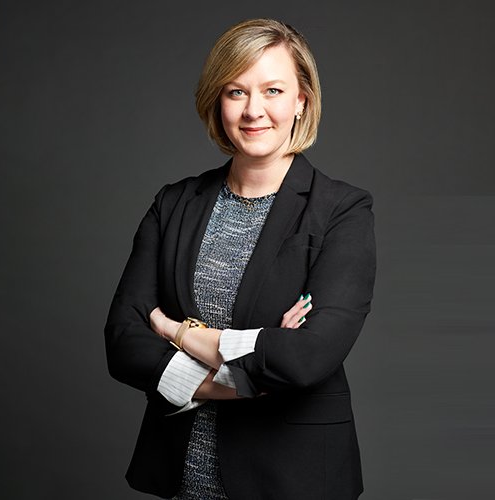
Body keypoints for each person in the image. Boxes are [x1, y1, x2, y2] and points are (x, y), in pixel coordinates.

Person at [104, 18, 374, 499]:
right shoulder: (174, 203)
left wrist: (175, 330)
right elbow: (122, 341)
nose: (254, 111)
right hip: (186, 473)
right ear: (217, 101)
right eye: (236, 92)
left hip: (295, 479)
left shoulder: (342, 210)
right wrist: (246, 379)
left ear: (301, 101)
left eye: (272, 90)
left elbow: (307, 357)